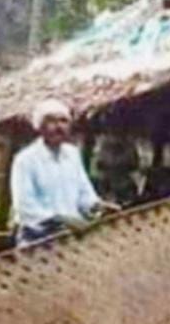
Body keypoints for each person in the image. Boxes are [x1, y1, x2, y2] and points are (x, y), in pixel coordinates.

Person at [11, 99, 119, 245]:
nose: (58, 127)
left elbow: (84, 194)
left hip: (71, 237)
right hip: (37, 239)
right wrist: (59, 219)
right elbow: (25, 207)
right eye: (51, 121)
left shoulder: (72, 154)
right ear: (39, 126)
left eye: (63, 121)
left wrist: (97, 206)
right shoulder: (25, 160)